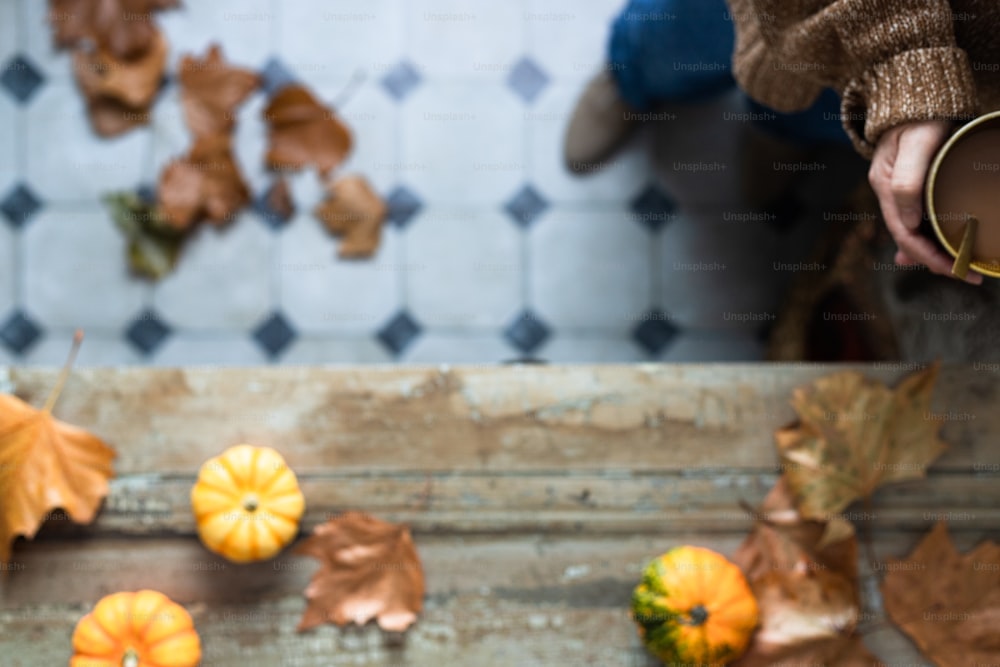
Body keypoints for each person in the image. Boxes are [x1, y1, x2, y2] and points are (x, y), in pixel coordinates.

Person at [565, 0, 1000, 285]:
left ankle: (780, 129)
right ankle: (632, 74)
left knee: (829, 115)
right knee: (680, 36)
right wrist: (906, 64)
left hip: (963, 88)